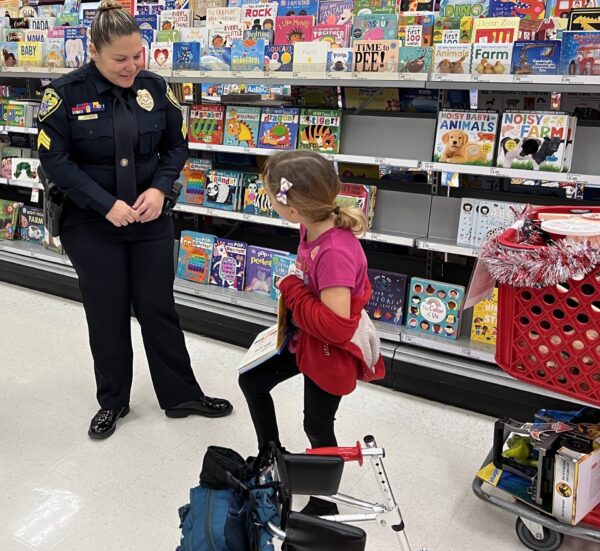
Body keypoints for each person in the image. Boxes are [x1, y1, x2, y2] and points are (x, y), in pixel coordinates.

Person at [37, 0, 232, 440]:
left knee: (158, 307)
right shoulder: (64, 94)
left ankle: (181, 395)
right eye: (119, 59)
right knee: (106, 314)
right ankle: (113, 402)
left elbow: (176, 147)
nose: (131, 66)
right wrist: (104, 203)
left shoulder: (156, 88)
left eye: (137, 55)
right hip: (90, 224)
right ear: (93, 51)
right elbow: (56, 160)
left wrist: (160, 187)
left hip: (150, 220)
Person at [238, 150, 385, 515]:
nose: (268, 199)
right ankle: (271, 456)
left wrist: (291, 288)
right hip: (305, 337)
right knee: (253, 382)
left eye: (270, 195)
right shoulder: (311, 225)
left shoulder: (335, 251)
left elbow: (337, 328)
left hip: (329, 352)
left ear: (291, 209)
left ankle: (325, 502)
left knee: (317, 425)